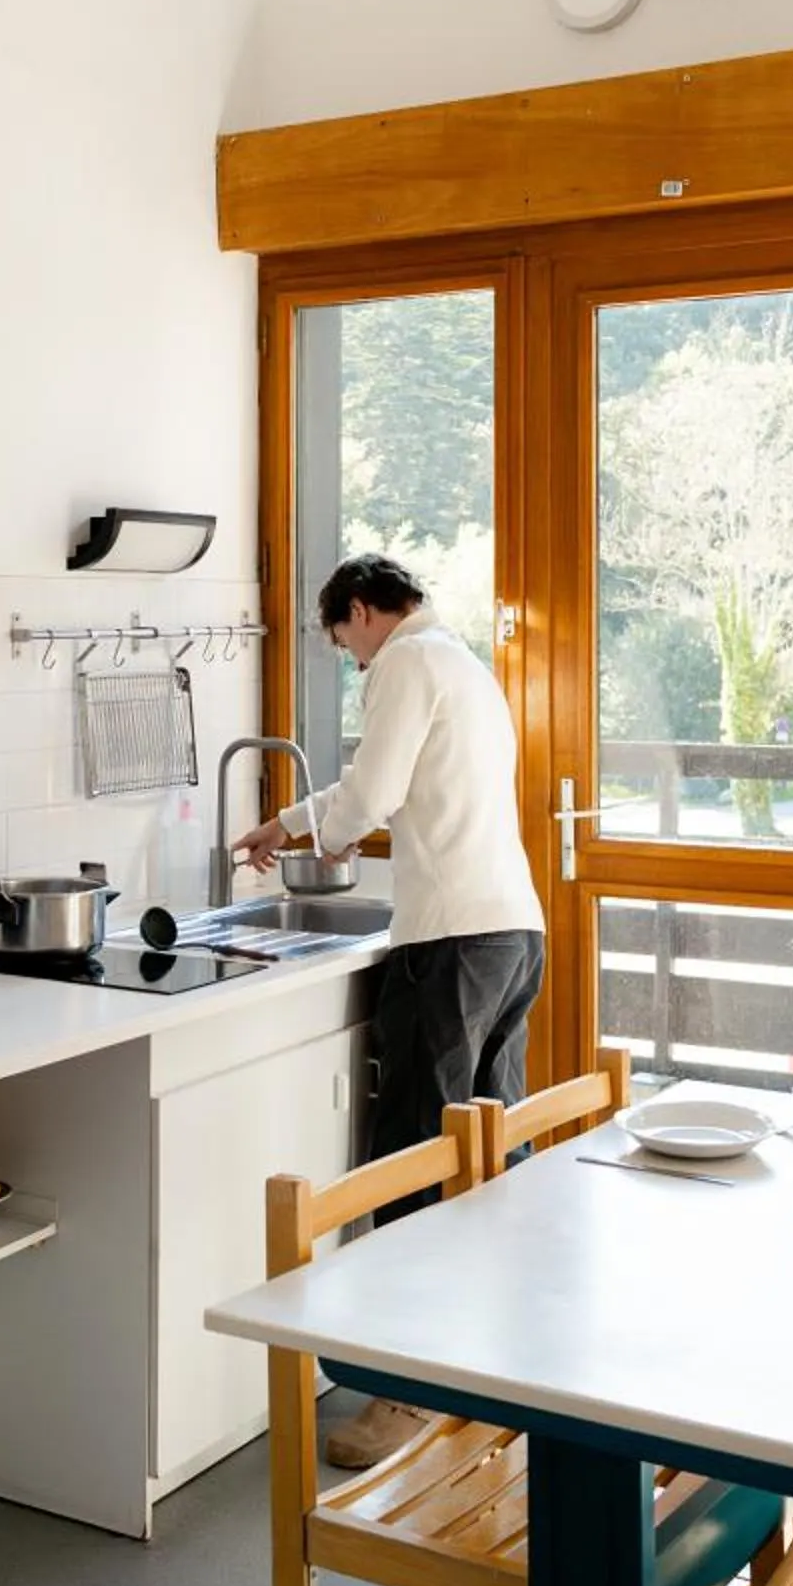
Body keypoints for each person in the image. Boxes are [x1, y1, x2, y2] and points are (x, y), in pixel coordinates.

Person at [232, 554, 546, 1470]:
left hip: (449, 939)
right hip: (510, 931)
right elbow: (384, 783)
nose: (356, 662)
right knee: (488, 1160)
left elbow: (372, 794)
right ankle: (493, 1370)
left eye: (347, 646)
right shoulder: (460, 663)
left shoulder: (404, 663)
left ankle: (407, 1393)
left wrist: (325, 837)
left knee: (412, 1160)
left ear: (364, 612)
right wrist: (289, 824)